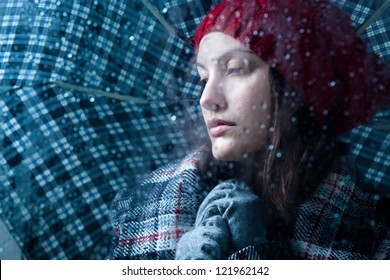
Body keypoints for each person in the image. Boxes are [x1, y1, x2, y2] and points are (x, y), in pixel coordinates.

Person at [107, 0, 390, 260]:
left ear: (296, 88)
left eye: (235, 69)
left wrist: (254, 255)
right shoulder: (137, 211)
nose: (206, 98)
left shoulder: (374, 236)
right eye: (203, 77)